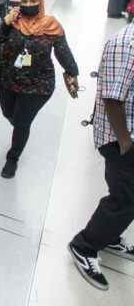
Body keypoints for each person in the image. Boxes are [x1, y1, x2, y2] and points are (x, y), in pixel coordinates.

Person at [68, 22, 134, 291]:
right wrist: (126, 142)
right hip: (121, 138)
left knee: (124, 192)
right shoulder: (127, 43)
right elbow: (112, 98)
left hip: (126, 134)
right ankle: (85, 245)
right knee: (125, 197)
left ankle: (110, 234)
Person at [0, 0, 79, 178]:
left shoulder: (51, 25)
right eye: (25, 2)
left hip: (38, 84)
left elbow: (63, 51)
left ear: (40, 2)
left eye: (33, 2)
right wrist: (5, 22)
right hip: (7, 78)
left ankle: (13, 158)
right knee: (8, 113)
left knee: (22, 123)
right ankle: (20, 126)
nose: (29, 5)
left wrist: (72, 72)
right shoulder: (13, 21)